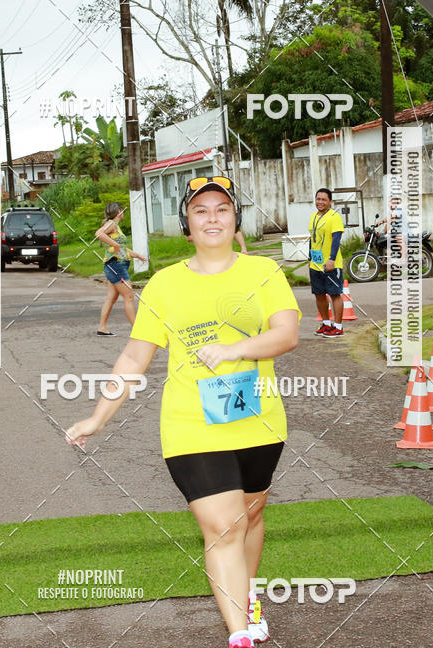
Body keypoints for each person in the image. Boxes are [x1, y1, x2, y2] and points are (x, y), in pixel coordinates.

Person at [66, 176, 301, 648]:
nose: (211, 217)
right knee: (224, 524)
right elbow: (134, 357)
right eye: (200, 211)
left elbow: (287, 333)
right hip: (191, 427)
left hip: (258, 422)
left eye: (221, 209)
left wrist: (235, 348)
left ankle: (247, 595)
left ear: (235, 221)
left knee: (250, 519)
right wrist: (97, 417)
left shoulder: (264, 274)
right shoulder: (166, 284)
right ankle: (239, 636)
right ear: (187, 226)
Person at [95, 202, 147, 336]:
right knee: (129, 296)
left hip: (116, 265)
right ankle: (138, 330)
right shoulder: (111, 224)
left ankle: (102, 328)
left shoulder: (115, 227)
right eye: (122, 210)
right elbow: (99, 233)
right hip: (116, 265)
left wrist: (137, 255)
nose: (123, 213)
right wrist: (115, 244)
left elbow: (121, 248)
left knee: (111, 298)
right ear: (118, 212)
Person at [309, 188, 345, 338]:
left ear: (330, 201)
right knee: (319, 294)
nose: (320, 202)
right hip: (315, 264)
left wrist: (331, 259)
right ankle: (326, 323)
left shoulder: (334, 217)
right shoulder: (313, 217)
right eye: (318, 199)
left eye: (324, 199)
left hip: (331, 264)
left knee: (334, 294)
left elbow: (336, 239)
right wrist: (309, 259)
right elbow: (312, 239)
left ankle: (338, 327)